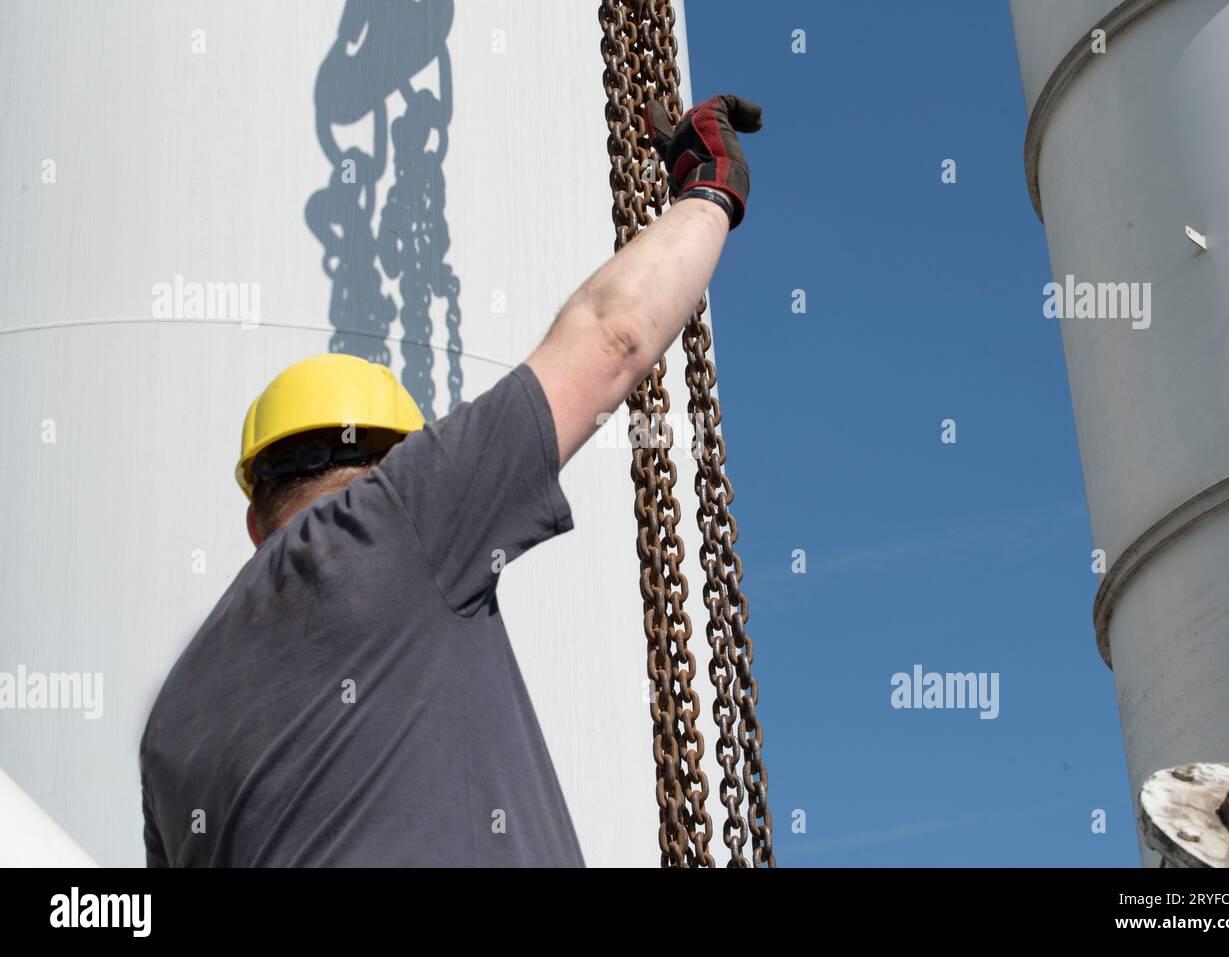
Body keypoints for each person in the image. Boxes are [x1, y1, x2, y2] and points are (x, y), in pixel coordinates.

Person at [139, 94, 762, 866]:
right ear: (398, 455)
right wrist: (710, 190)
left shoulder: (168, 724)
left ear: (254, 522)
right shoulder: (404, 515)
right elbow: (614, 336)